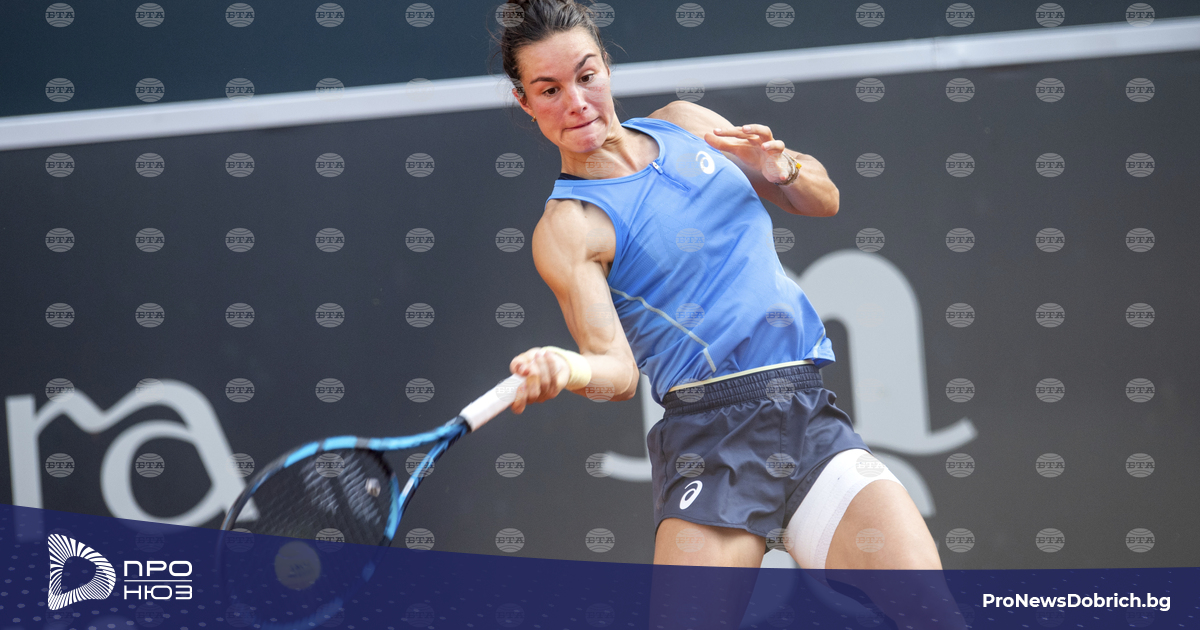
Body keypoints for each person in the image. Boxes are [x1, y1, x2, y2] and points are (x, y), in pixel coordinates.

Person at [497, 3, 958, 625]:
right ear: (525, 102)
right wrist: (568, 368)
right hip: (710, 446)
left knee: (935, 614)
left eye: (586, 76)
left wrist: (783, 169)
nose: (576, 102)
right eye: (549, 89)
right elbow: (618, 373)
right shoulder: (568, 228)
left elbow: (823, 198)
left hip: (808, 419)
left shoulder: (686, 124)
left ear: (606, 66)